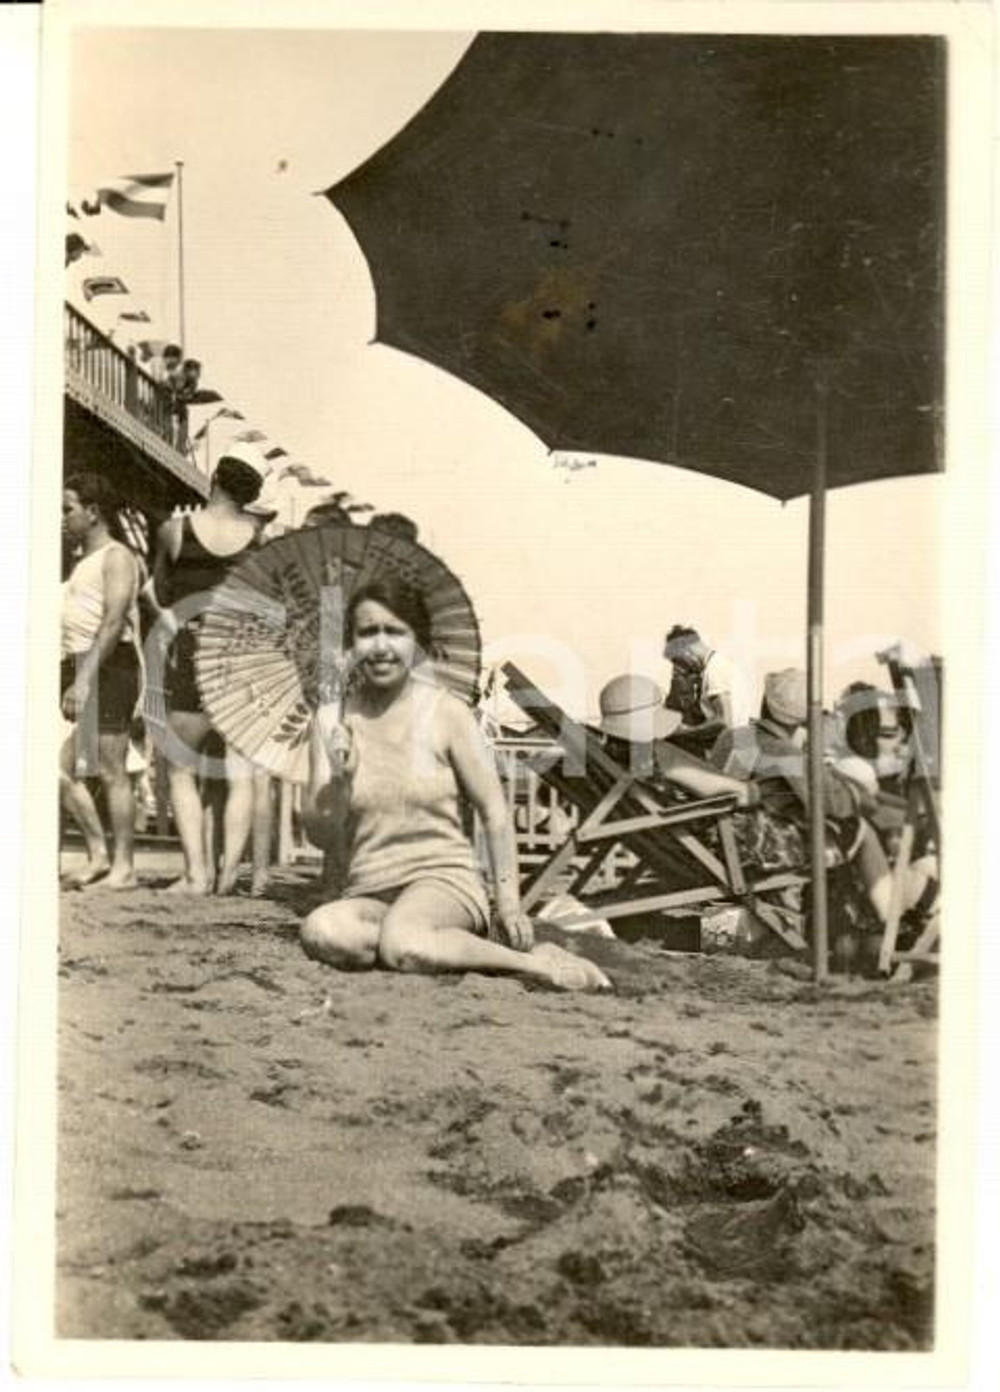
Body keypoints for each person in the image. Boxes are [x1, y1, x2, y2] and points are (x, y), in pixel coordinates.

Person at [299, 577, 611, 990]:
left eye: (395, 632)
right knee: (325, 930)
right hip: (370, 887)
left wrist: (509, 905)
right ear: (350, 643)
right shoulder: (330, 721)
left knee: (402, 943)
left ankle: (538, 965)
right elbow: (320, 835)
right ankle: (428, 944)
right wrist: (341, 779)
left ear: (418, 641)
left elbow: (494, 812)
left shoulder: (447, 714)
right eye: (367, 632)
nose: (380, 646)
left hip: (444, 882)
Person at [710, 668, 935, 937]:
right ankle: (891, 919)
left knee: (840, 829)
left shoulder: (733, 737)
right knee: (858, 830)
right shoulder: (783, 752)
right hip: (753, 846)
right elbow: (830, 803)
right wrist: (856, 795)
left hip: (721, 836)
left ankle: (881, 912)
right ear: (801, 720)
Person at [150, 442, 269, 893]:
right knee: (240, 775)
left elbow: (162, 593)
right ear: (251, 493)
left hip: (193, 661)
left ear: (215, 477)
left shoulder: (175, 531)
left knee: (180, 768)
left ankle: (195, 874)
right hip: (238, 668)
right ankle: (226, 876)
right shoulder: (258, 540)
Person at [60, 473, 142, 889]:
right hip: (80, 666)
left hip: (108, 668)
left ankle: (124, 867)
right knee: (63, 770)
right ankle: (99, 856)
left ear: (93, 513)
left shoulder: (117, 557)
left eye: (68, 509)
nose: (63, 518)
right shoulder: (82, 562)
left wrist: (85, 680)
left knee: (111, 769)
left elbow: (112, 624)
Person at [663, 624, 746, 749]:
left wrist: (686, 730)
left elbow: (724, 721)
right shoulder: (716, 665)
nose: (685, 668)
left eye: (680, 661)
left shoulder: (715, 670)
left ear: (685, 650)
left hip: (730, 748)